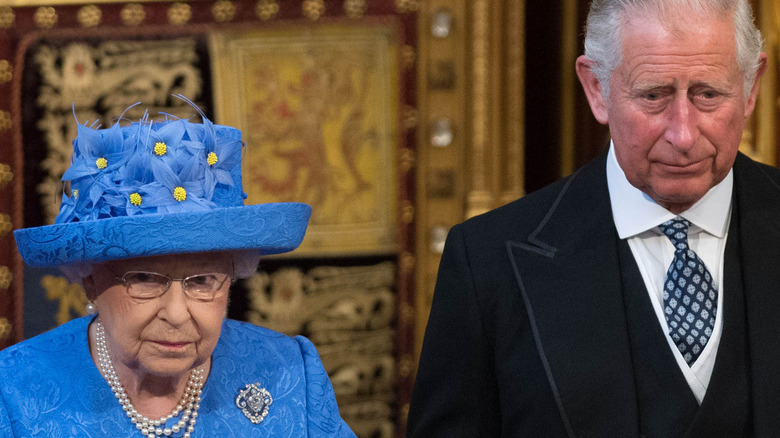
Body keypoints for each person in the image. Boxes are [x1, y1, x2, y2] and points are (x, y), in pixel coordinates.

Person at [408, 0, 780, 436]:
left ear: (751, 87)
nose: (683, 134)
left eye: (708, 95)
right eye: (653, 95)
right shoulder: (488, 265)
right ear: (597, 89)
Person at [0, 97, 357, 437]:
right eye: (143, 278)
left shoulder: (289, 371)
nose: (176, 313)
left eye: (202, 280)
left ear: (232, 277)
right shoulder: (13, 393)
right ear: (89, 278)